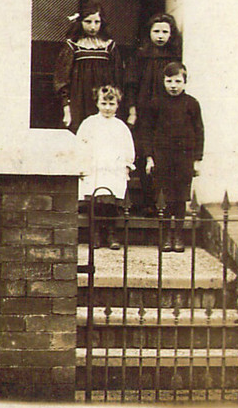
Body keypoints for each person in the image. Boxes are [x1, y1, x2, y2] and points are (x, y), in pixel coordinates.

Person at [142, 61, 204, 252]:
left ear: (185, 81)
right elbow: (147, 131)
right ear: (163, 81)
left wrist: (197, 160)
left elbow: (199, 132)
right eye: (169, 81)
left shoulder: (192, 104)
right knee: (164, 198)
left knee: (180, 199)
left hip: (184, 157)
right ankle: (166, 236)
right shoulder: (156, 103)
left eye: (178, 81)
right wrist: (149, 157)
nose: (173, 85)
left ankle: (178, 235)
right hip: (163, 156)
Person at [125, 13, 183, 213]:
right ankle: (148, 202)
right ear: (149, 32)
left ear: (171, 34)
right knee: (144, 154)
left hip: (166, 112)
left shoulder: (174, 56)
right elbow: (131, 85)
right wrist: (132, 110)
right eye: (156, 31)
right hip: (144, 111)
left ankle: (164, 203)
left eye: (165, 32)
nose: (160, 36)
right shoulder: (140, 56)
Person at [76, 84, 135, 250]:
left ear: (118, 105)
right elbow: (80, 146)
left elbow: (128, 148)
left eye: (111, 104)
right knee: (95, 203)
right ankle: (94, 234)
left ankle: (111, 233)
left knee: (110, 203)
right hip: (94, 169)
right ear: (97, 103)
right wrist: (82, 166)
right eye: (104, 103)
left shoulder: (121, 127)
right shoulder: (89, 124)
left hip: (113, 170)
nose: (107, 108)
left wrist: (126, 166)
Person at [53, 3, 123, 134]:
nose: (92, 26)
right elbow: (62, 78)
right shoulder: (73, 45)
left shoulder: (109, 46)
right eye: (88, 22)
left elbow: (117, 75)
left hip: (103, 97)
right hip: (79, 97)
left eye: (97, 22)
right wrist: (66, 106)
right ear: (80, 22)